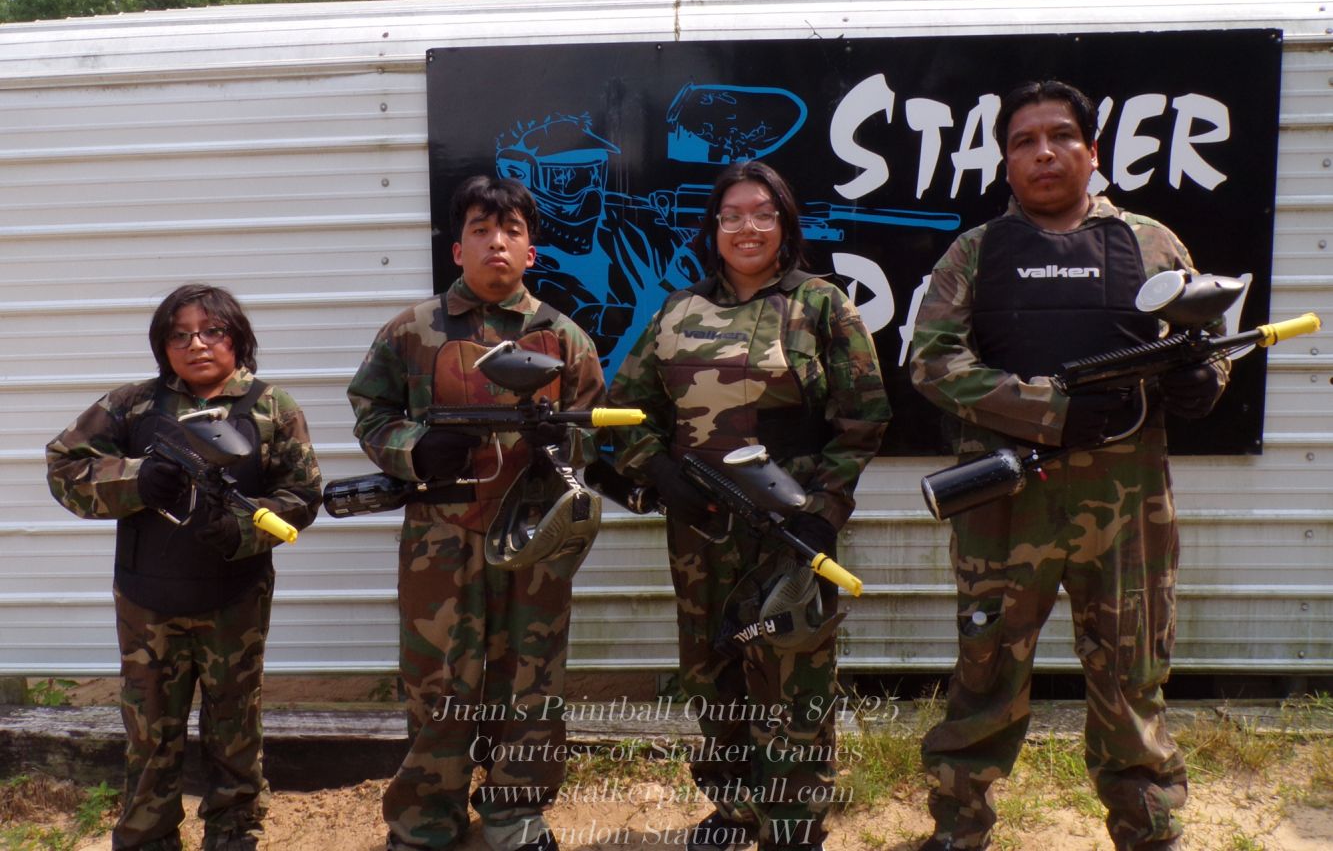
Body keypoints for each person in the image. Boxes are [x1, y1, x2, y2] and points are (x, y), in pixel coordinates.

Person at [908, 80, 1229, 851]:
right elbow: (932, 363)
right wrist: (1046, 410)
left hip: (1126, 508)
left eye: (1059, 137)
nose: (1043, 153)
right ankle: (958, 827)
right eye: (1023, 141)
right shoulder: (974, 252)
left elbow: (1204, 347)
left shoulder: (1151, 244)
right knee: (984, 673)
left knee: (1130, 677)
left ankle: (1147, 828)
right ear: (1004, 161)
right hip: (1005, 506)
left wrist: (1202, 379)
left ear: (1091, 151)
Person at [608, 160, 890, 851]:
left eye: (763, 213)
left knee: (794, 672)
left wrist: (825, 508)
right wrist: (659, 472)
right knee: (713, 670)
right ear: (713, 227)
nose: (747, 228)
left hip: (791, 525)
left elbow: (865, 416)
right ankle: (735, 810)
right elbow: (625, 411)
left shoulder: (822, 304)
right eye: (731, 215)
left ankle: (793, 820)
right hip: (701, 530)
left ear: (785, 224)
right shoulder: (676, 311)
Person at [347, 175, 604, 851]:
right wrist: (415, 448)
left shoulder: (563, 338)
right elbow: (371, 413)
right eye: (481, 230)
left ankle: (515, 814)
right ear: (457, 249)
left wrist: (560, 444)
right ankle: (425, 819)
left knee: (531, 678)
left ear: (531, 252)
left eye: (511, 231)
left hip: (534, 537)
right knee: (438, 681)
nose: (497, 243)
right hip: (441, 537)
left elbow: (594, 433)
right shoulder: (412, 331)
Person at [45, 284, 322, 851]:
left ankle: (235, 833)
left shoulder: (273, 408)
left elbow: (302, 495)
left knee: (235, 727)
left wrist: (243, 528)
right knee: (150, 731)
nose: (196, 344)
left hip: (235, 598)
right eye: (179, 335)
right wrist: (135, 480)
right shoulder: (132, 406)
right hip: (148, 602)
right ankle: (148, 836)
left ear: (237, 338)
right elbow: (64, 466)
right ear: (163, 345)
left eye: (211, 331)